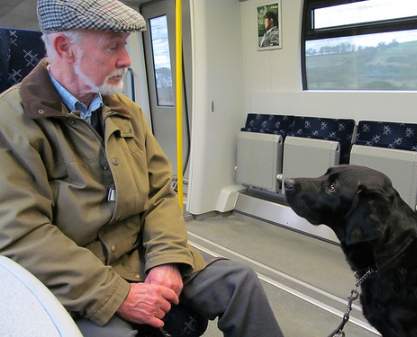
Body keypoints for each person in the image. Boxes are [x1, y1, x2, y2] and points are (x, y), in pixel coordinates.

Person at [0, 1, 285, 337]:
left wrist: (166, 260)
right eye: (113, 46)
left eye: (126, 44)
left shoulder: (126, 112)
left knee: (240, 284)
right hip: (79, 281)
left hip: (143, 256)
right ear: (65, 48)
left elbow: (160, 193)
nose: (127, 59)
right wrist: (117, 294)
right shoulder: (12, 123)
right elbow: (22, 234)